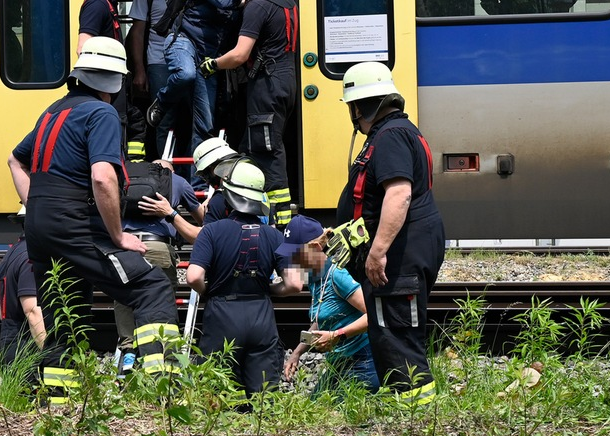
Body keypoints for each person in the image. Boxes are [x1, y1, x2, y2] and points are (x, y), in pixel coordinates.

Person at [9, 36, 179, 395]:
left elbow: (15, 159)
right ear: (115, 82)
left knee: (64, 316)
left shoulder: (52, 111)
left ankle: (59, 405)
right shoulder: (101, 113)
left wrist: (37, 204)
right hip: (75, 225)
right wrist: (118, 237)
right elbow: (102, 177)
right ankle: (160, 388)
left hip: (39, 230)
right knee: (152, 287)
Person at [335, 61, 444, 407]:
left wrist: (377, 251)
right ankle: (407, 405)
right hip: (406, 248)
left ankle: (413, 413)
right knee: (391, 329)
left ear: (362, 106)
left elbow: (399, 194)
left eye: (353, 107)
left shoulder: (391, 136)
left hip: (399, 255)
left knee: (397, 332)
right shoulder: (399, 131)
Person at [199, 0, 298, 227]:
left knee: (268, 152)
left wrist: (213, 64)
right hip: (284, 81)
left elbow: (240, 54)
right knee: (255, 146)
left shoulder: (259, 5)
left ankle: (280, 225)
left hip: (266, 86)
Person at [185, 159, 302, 397]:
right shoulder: (277, 236)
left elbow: (193, 276)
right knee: (263, 397)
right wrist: (270, 290)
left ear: (230, 195)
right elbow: (295, 284)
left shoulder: (210, 232)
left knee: (219, 397)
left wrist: (208, 291)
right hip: (261, 315)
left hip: (222, 314)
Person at [152, 0, 247, 183]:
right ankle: (161, 101)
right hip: (184, 42)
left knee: (205, 124)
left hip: (208, 57)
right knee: (185, 74)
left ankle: (197, 184)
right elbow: (221, 1)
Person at [114, 159, 203, 370]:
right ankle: (165, 357)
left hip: (127, 246)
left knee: (124, 298)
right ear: (168, 171)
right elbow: (201, 219)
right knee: (161, 301)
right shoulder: (177, 181)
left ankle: (128, 353)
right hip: (159, 247)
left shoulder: (126, 181)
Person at [278, 215, 379, 397]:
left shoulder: (336, 276)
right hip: (339, 363)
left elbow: (374, 316)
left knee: (328, 412)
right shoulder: (316, 279)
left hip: (362, 362)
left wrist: (336, 336)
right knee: (313, 407)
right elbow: (322, 318)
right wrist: (297, 353)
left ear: (315, 249)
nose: (291, 260)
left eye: (295, 254)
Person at [79, 0, 147, 160]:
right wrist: (103, 91)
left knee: (134, 122)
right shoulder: (97, 3)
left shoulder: (107, 2)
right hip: (107, 90)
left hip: (114, 88)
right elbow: (83, 48)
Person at [126, 0, 183, 160]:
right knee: (163, 120)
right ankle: (166, 171)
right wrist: (140, 70)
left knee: (190, 118)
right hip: (158, 63)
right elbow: (138, 33)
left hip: (188, 61)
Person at [138, 136, 241, 244]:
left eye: (204, 174)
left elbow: (202, 237)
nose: (206, 182)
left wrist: (170, 213)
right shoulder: (242, 190)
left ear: (212, 168)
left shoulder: (220, 200)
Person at [0, 207, 45, 373]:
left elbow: (1, 306)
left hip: (9, 341)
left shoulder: (13, 252)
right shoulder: (31, 257)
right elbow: (32, 310)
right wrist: (49, 355)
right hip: (26, 347)